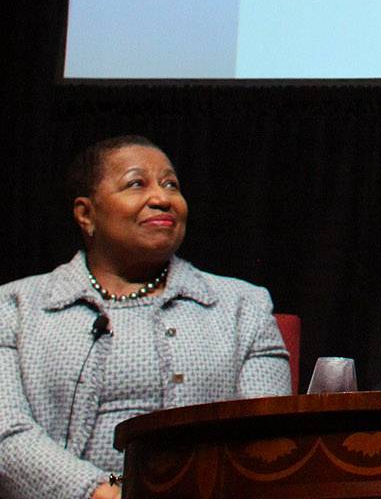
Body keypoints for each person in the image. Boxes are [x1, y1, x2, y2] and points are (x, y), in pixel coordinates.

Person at [0, 136, 290, 499]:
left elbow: (264, 442)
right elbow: (6, 433)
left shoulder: (243, 306)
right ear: (86, 214)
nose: (162, 198)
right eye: (136, 183)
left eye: (171, 185)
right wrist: (107, 493)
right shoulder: (15, 306)